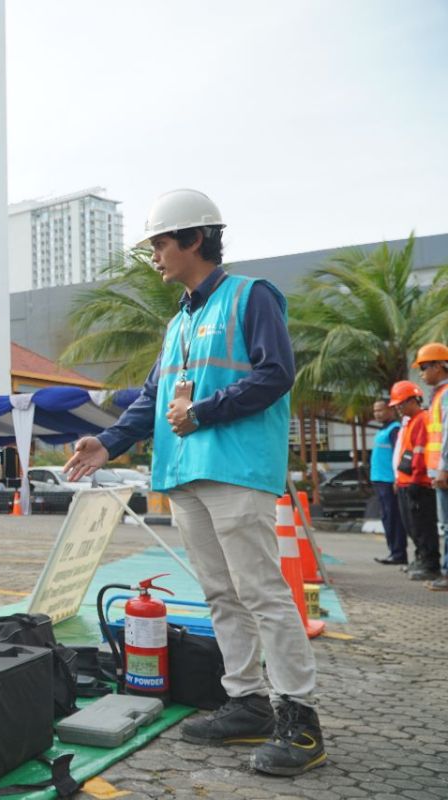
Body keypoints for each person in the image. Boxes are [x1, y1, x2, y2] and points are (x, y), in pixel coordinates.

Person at [64, 189, 324, 776]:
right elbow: (155, 402)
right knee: (221, 595)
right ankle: (248, 702)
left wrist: (203, 412)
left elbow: (276, 373)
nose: (154, 255)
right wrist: (107, 442)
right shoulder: (178, 321)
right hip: (184, 476)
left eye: (159, 242)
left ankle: (300, 721)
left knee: (262, 593)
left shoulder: (250, 297)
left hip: (235, 471)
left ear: (194, 240)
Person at [389, 380, 441, 582]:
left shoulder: (421, 419)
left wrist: (417, 480)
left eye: (402, 404)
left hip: (417, 482)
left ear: (413, 400)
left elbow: (420, 453)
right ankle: (421, 559)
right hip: (407, 481)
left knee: (423, 526)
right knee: (413, 526)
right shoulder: (410, 422)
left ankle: (430, 564)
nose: (399, 408)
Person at [412, 343, 448, 590]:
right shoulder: (439, 395)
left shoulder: (445, 395)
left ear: (439, 366)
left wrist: (443, 468)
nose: (422, 374)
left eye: (425, 367)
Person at [369, 399, 406, 565]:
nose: (377, 413)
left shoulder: (394, 429)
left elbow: (398, 455)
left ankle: (398, 553)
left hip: (389, 480)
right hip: (379, 480)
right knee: (386, 517)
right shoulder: (382, 430)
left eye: (381, 410)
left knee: (393, 517)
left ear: (391, 410)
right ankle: (393, 551)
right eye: (375, 411)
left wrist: (397, 478)